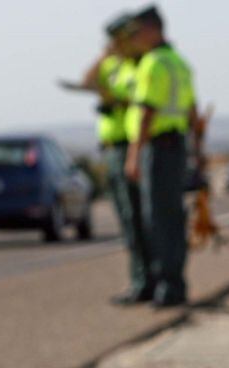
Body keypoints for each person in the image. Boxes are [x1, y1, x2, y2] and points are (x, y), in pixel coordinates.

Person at [124, 5, 202, 308]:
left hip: (157, 148)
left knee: (157, 219)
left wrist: (134, 155)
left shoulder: (153, 64)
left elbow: (146, 112)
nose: (135, 39)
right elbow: (193, 111)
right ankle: (174, 283)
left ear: (153, 29)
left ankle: (167, 286)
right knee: (172, 216)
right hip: (177, 146)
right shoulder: (179, 63)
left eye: (137, 32)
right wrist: (198, 149)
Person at [84, 13, 154, 305]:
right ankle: (141, 279)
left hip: (129, 146)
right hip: (112, 148)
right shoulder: (113, 65)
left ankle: (147, 281)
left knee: (138, 218)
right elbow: (87, 81)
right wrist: (103, 56)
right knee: (128, 220)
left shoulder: (135, 67)